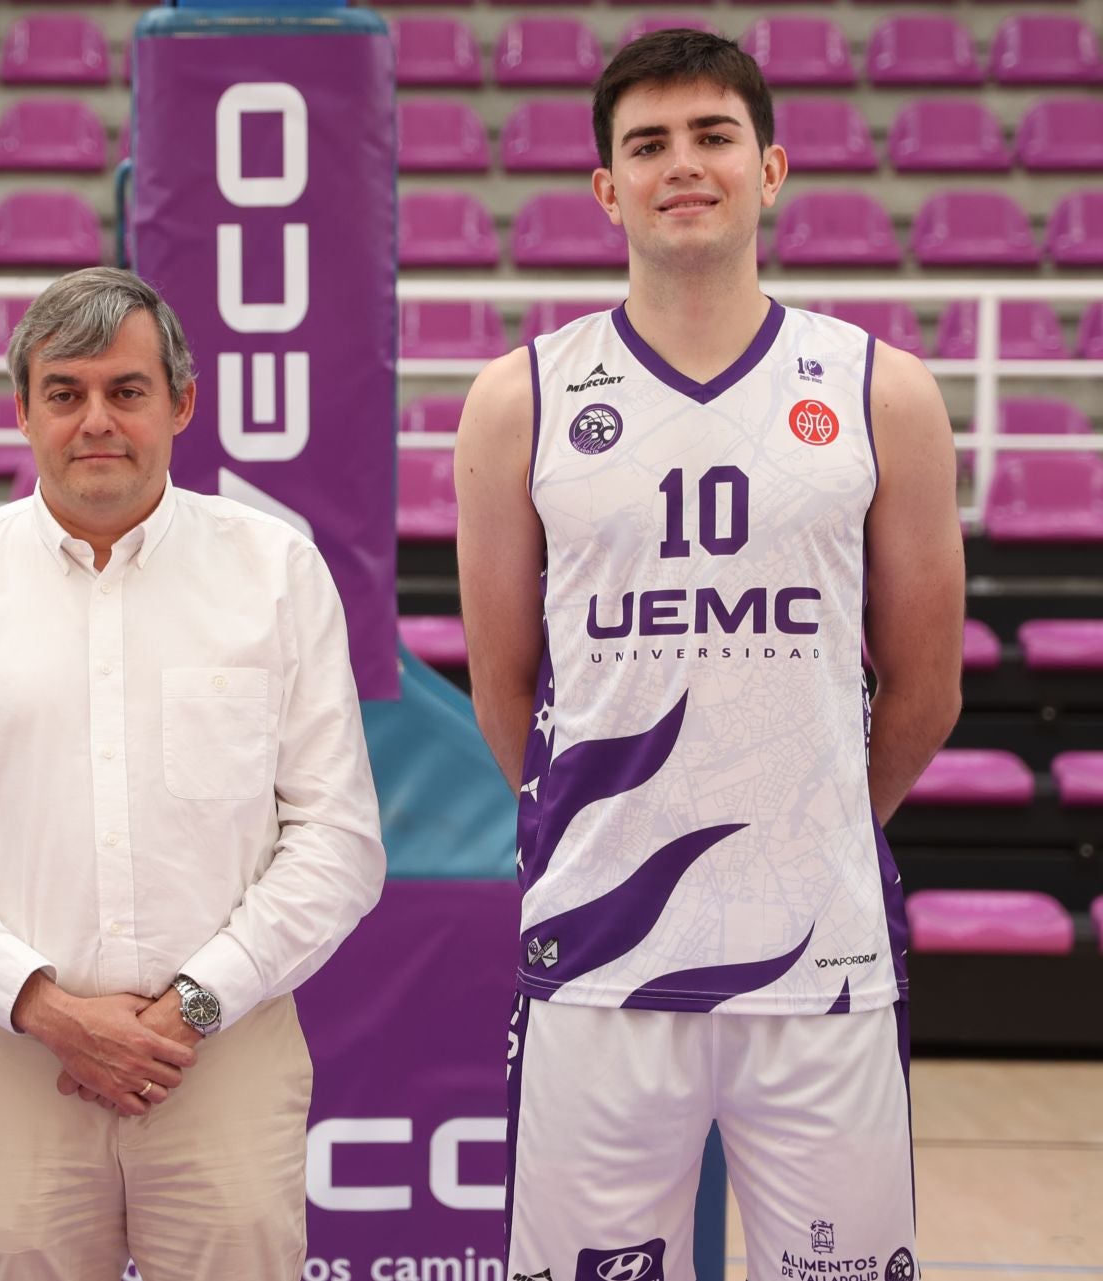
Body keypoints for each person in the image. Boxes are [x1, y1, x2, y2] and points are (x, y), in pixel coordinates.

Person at [453, 30, 963, 1281]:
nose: (683, 164)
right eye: (648, 144)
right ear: (606, 188)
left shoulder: (878, 389)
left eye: (713, 135)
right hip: (597, 960)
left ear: (771, 167)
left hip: (823, 960)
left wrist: (819, 817)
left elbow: (927, 685)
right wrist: (608, 843)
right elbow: (508, 689)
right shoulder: (518, 398)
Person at [0, 266, 386, 1280]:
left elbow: (338, 843)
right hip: (16, 1058)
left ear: (181, 403)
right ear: (23, 412)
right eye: (66, 392)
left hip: (220, 1055)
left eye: (126, 391)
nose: (97, 419)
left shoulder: (275, 573)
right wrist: (46, 1008)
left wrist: (191, 1006)